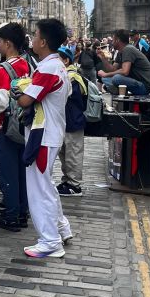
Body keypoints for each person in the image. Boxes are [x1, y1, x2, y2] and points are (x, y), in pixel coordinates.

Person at [14, 18, 74, 260]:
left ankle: (50, 241)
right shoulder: (56, 64)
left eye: (36, 35)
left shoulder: (48, 68)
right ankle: (61, 228)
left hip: (43, 135)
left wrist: (17, 91)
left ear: (44, 41)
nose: (33, 39)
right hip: (50, 132)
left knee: (39, 190)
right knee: (46, 185)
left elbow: (25, 100)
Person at [0, 23, 30, 231]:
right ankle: (22, 211)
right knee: (21, 170)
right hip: (23, 123)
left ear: (8, 43)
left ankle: (11, 214)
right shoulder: (26, 65)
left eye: (0, 43)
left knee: (7, 171)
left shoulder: (3, 70)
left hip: (6, 126)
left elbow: (0, 101)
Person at [57, 44, 87, 197]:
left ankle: (74, 186)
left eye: (58, 59)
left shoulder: (71, 77)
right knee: (65, 154)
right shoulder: (67, 75)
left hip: (73, 121)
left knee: (73, 154)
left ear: (66, 61)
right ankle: (67, 181)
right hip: (67, 121)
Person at [97, 29, 150, 96]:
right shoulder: (120, 52)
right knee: (105, 78)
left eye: (113, 40)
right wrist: (103, 58)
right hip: (138, 83)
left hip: (145, 86)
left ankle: (118, 92)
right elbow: (112, 69)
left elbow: (125, 71)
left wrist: (106, 74)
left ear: (118, 40)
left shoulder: (128, 49)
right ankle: (119, 92)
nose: (112, 42)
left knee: (116, 78)